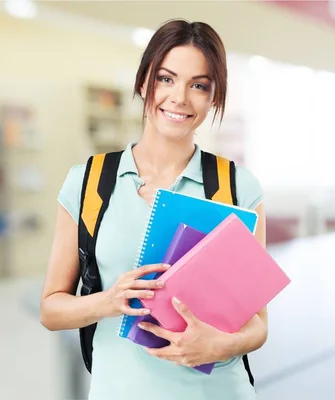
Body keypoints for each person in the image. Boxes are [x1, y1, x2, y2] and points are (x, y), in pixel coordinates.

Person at [40, 19, 268, 400]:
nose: (180, 97)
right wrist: (109, 301)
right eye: (166, 78)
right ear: (144, 82)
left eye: (199, 85)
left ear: (213, 98)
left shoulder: (237, 186)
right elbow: (51, 309)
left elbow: (258, 324)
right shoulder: (88, 182)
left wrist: (219, 346)